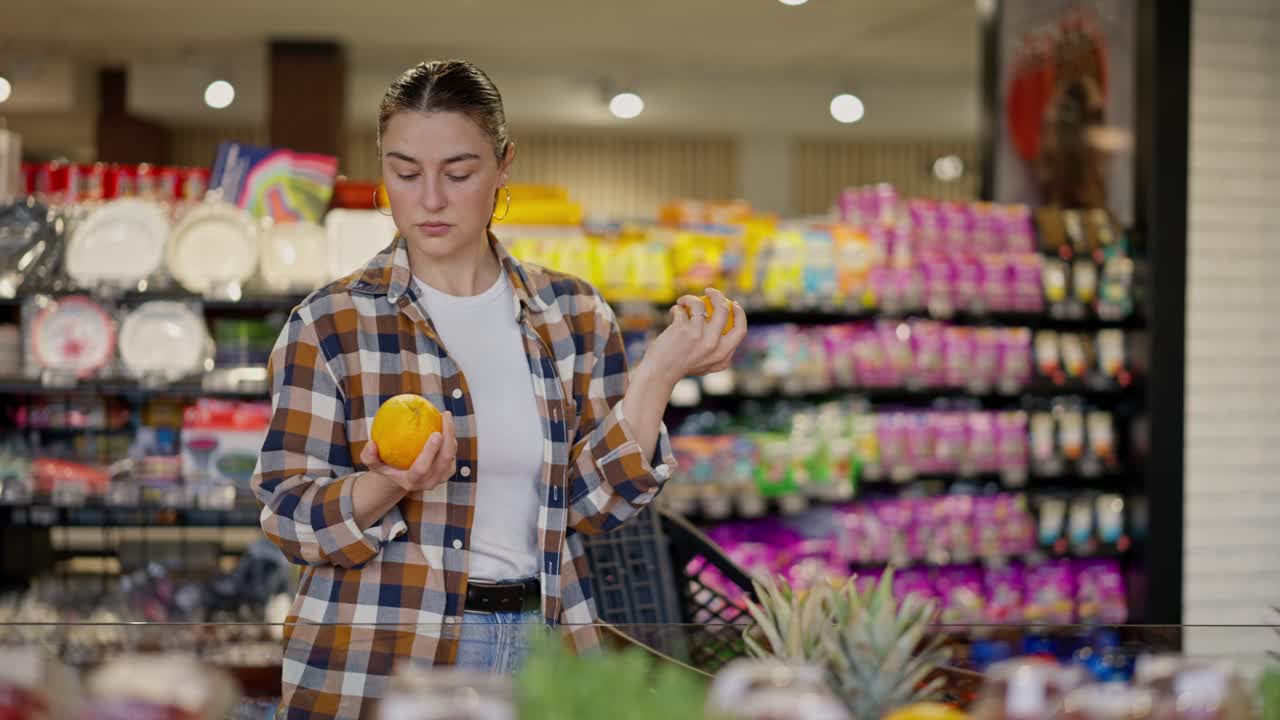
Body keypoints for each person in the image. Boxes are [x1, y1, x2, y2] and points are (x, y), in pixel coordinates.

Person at [251, 58, 747, 719]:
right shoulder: (329, 324)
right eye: (404, 172)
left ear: (503, 165)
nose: (430, 198)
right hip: (380, 657)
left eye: (458, 173)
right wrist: (390, 481)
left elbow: (591, 507)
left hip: (544, 648)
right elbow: (288, 518)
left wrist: (658, 373)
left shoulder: (573, 314)